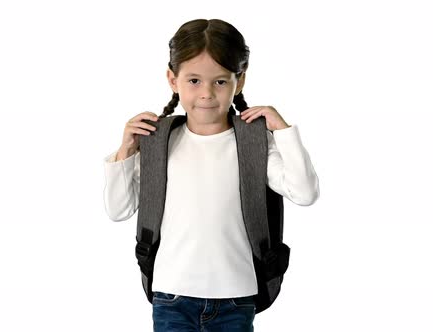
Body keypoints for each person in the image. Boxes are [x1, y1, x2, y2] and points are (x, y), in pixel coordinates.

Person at [103, 18, 319, 332]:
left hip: (236, 296)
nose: (206, 93)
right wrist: (125, 150)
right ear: (172, 80)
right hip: (171, 295)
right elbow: (118, 209)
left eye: (220, 81)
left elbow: (305, 193)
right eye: (193, 80)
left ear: (239, 81)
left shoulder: (254, 143)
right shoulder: (158, 141)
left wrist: (283, 132)